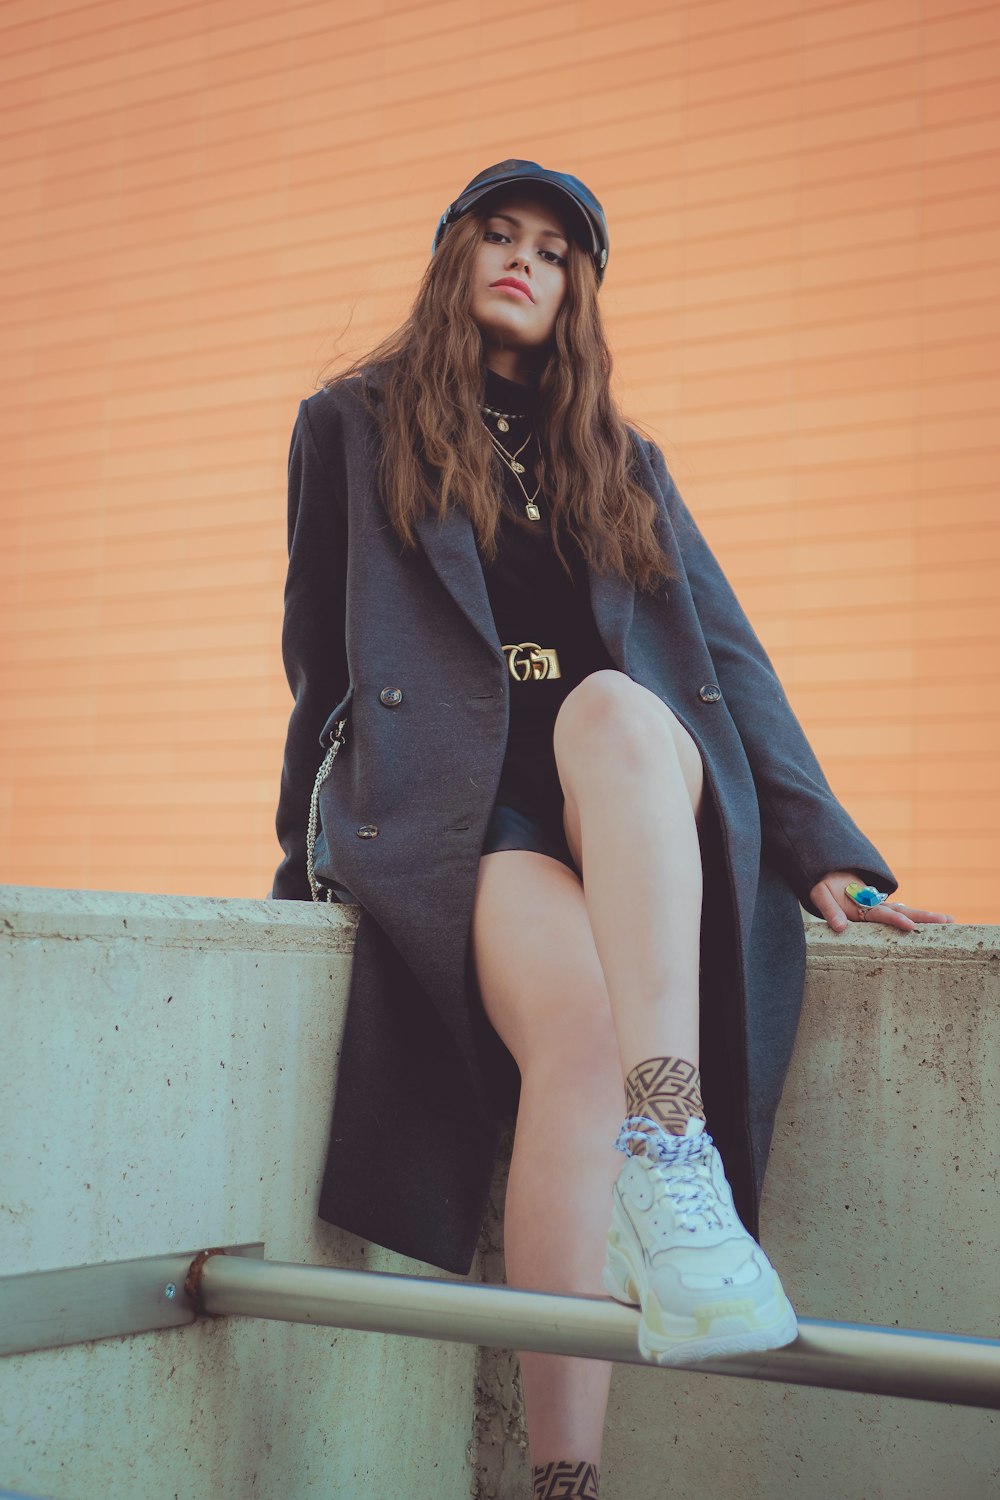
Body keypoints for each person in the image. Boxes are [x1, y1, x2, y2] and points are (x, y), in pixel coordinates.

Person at [271, 160, 953, 1500]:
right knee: (574, 1043)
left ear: (580, 287)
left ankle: (669, 1149)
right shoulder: (348, 425)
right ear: (455, 256)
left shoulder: (620, 460)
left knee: (617, 711)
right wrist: (300, 866)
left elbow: (731, 663)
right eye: (499, 237)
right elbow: (317, 666)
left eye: (556, 250)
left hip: (631, 791)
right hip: (473, 815)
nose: (526, 262)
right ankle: (569, 1477)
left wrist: (823, 852)